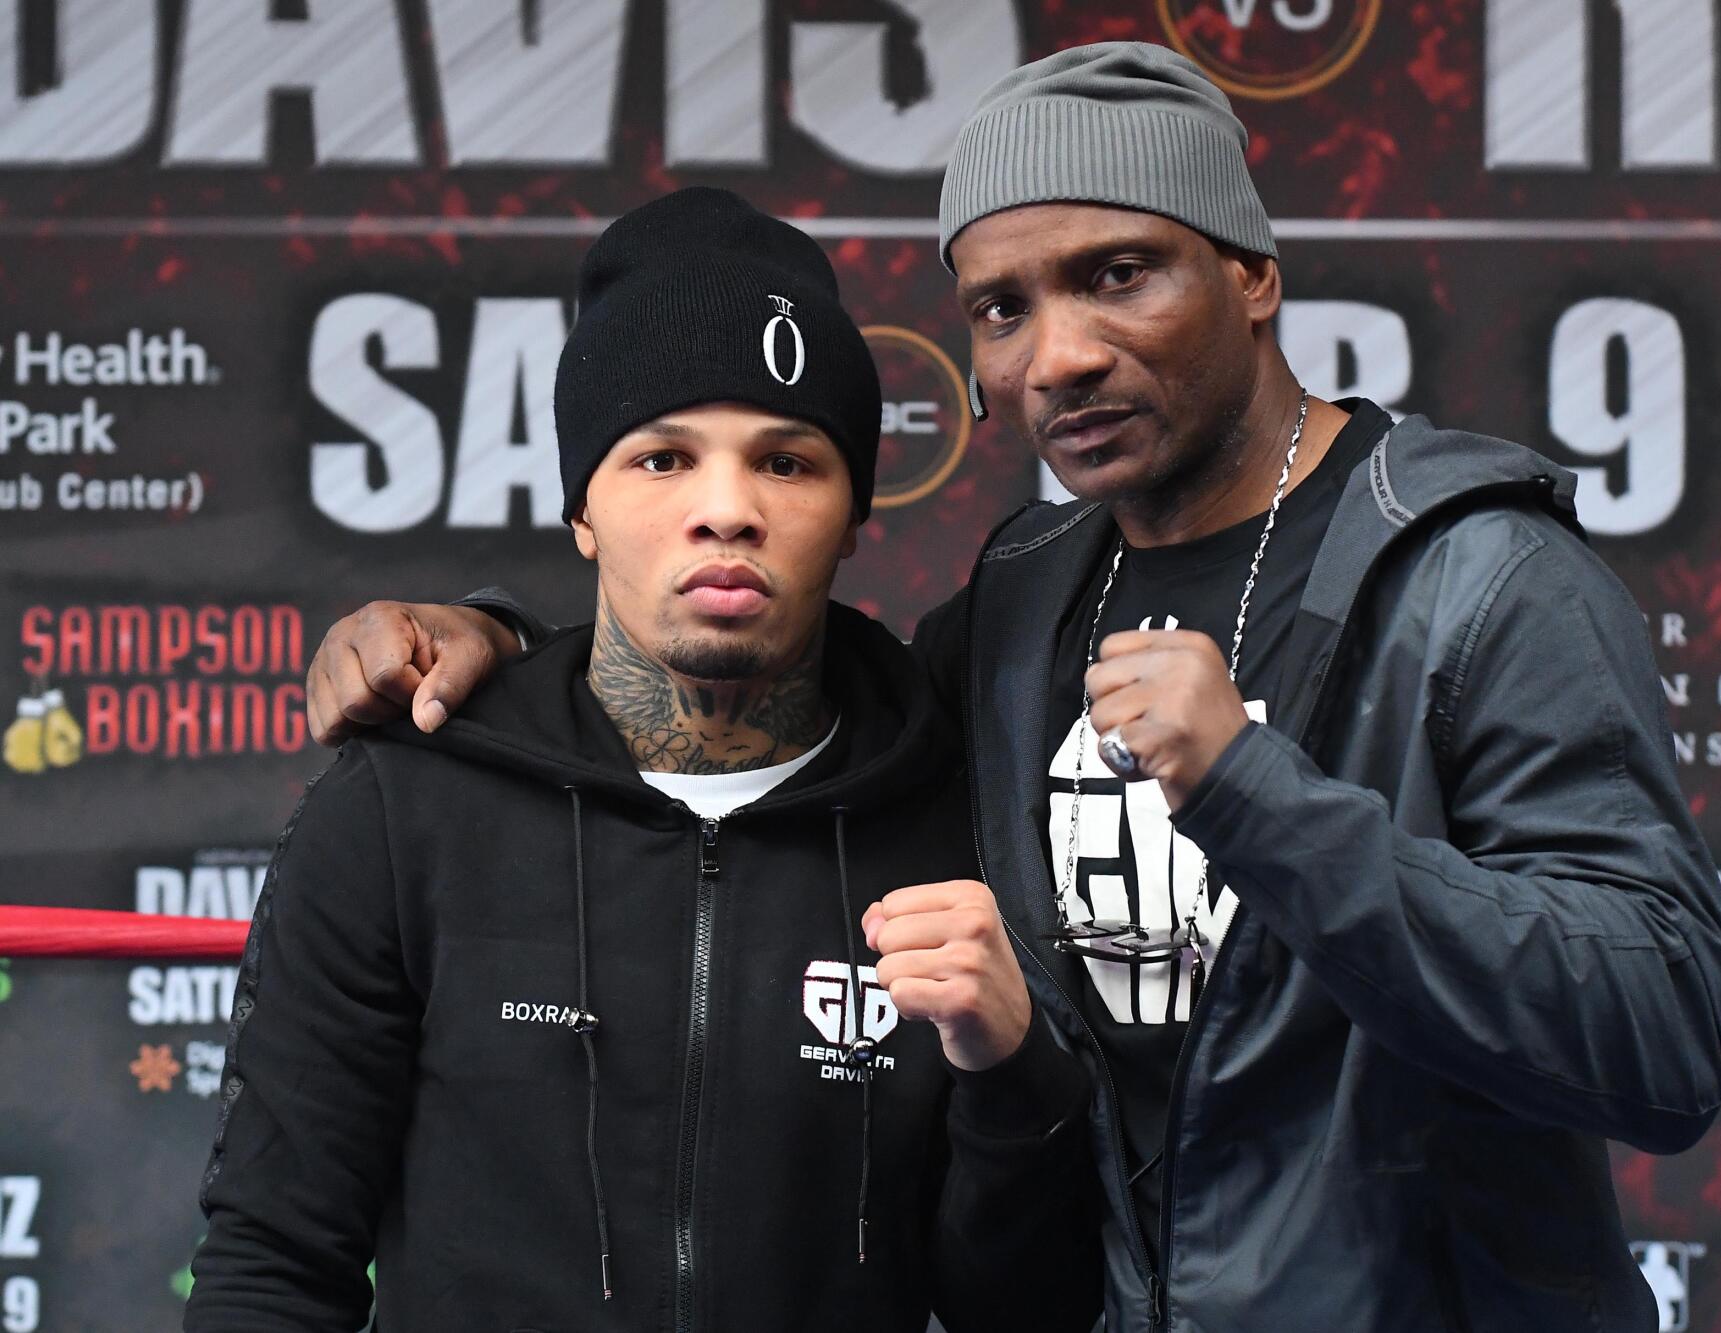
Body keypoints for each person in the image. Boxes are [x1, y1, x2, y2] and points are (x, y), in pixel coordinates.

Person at [304, 44, 1721, 1333]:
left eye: (1118, 273)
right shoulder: (1026, 601)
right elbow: (768, 701)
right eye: (1002, 306)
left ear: (1251, 273)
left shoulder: (1481, 582)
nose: (1058, 354)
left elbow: (1659, 1040)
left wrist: (1258, 795)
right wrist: (479, 652)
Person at [186, 187, 1101, 1332]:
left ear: (855, 510)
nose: (726, 510)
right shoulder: (406, 805)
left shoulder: (958, 807)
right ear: (582, 508)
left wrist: (1013, 1074)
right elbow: (273, 1262)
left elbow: (1027, 1308)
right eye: (662, 460)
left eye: (787, 461)